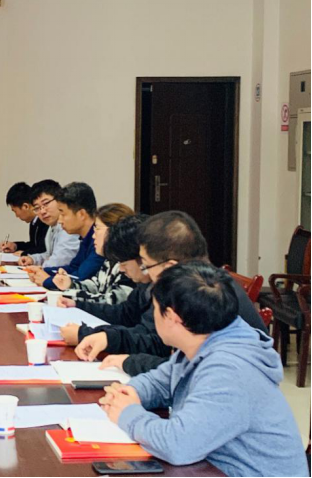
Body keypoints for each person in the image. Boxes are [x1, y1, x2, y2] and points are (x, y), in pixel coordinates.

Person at [99, 262, 309, 478]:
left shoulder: (229, 370)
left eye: (155, 308)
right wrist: (130, 392)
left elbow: (178, 445)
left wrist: (128, 414)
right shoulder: (204, 335)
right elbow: (160, 381)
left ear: (171, 317)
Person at [65, 211, 268, 376]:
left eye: (146, 264)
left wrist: (127, 360)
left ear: (169, 267)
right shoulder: (195, 285)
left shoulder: (203, 296)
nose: (145, 271)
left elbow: (180, 370)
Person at [52, 203, 135, 304]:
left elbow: (111, 301)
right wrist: (70, 284)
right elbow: (95, 285)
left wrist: (74, 298)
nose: (93, 236)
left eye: (98, 229)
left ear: (114, 230)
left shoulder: (129, 264)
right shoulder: (109, 261)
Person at [26, 182, 105, 289]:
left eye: (63, 214)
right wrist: (42, 271)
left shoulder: (99, 240)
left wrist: (47, 280)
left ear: (81, 214)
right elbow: (73, 268)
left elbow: (81, 277)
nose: (60, 220)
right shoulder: (85, 238)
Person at [17, 180, 80, 269]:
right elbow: (50, 254)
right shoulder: (52, 227)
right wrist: (33, 259)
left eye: (46, 203)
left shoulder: (69, 225)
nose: (42, 211)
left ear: (59, 200)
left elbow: (60, 260)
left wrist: (38, 269)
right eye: (37, 208)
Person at [0, 182, 49, 256]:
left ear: (25, 206)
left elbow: (44, 249)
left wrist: (25, 253)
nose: (16, 216)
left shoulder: (45, 220)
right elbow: (33, 245)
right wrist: (15, 246)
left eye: (15, 211)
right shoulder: (34, 222)